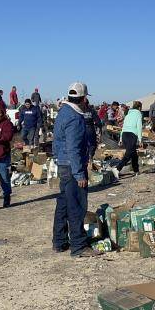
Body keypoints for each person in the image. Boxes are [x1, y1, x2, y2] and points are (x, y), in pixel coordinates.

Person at [52, 82, 100, 257]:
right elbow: (73, 147)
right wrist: (79, 173)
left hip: (63, 164)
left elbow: (57, 142)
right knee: (77, 205)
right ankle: (78, 246)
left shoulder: (63, 112)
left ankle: (59, 241)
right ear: (84, 98)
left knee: (63, 204)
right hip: (72, 166)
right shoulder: (74, 117)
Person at [116, 100, 143, 176]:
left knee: (133, 153)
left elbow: (123, 127)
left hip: (124, 134)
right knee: (128, 154)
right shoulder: (138, 114)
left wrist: (121, 139)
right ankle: (117, 168)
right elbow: (139, 127)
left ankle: (136, 170)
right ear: (139, 108)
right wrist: (140, 140)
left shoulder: (128, 114)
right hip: (132, 135)